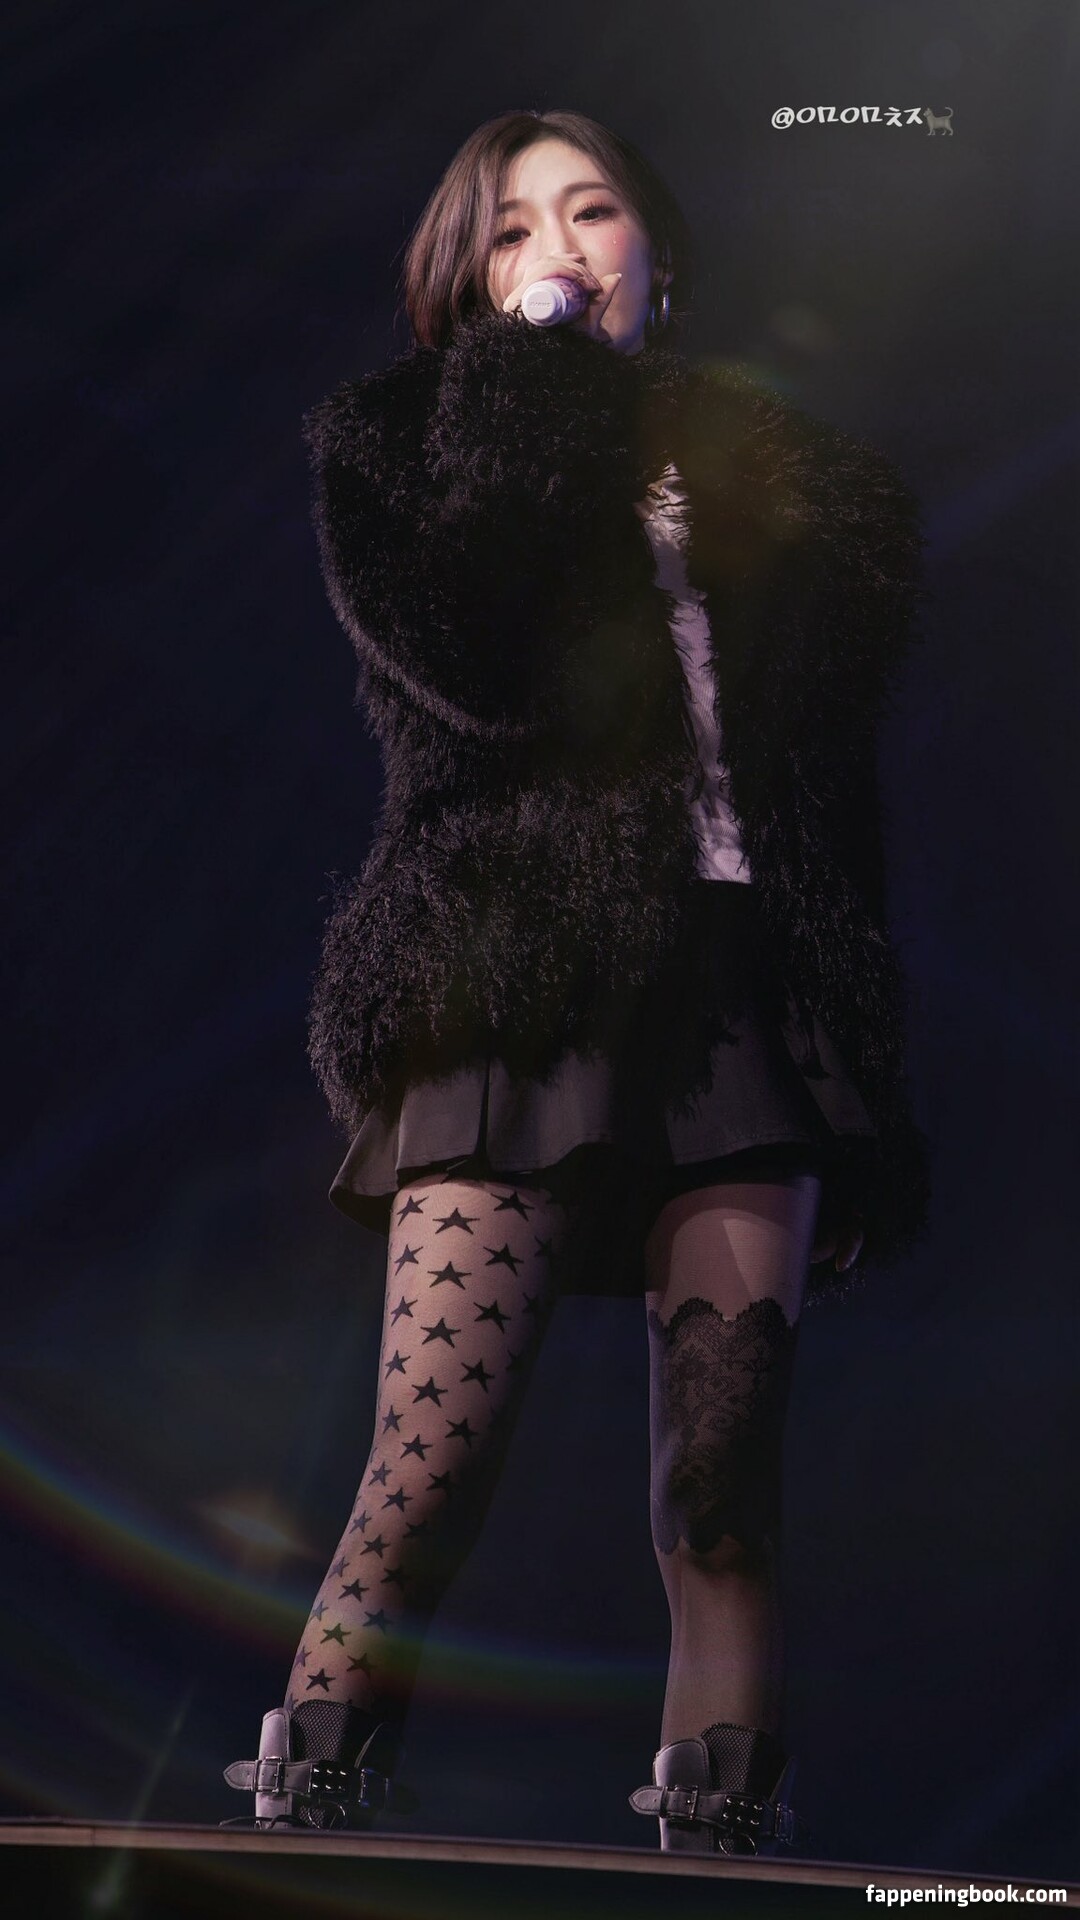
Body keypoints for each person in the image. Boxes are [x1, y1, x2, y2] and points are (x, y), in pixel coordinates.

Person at [224, 108, 931, 1853]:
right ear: (465, 280)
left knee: (726, 1476)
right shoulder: (405, 450)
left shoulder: (797, 485)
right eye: (511, 227)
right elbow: (473, 672)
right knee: (436, 1446)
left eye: (592, 211)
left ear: (656, 255)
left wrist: (860, 1051)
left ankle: (722, 1832)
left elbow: (835, 782)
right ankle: (313, 1793)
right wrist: (532, 409)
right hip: (512, 975)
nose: (556, 247)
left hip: (741, 993)